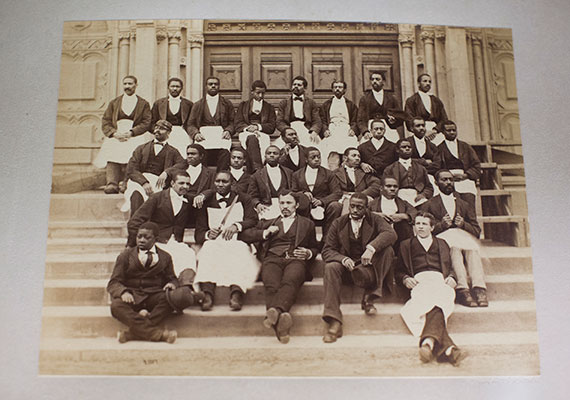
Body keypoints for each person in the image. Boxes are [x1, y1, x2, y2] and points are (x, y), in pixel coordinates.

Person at [240, 191, 319, 344]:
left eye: (289, 203)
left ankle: (275, 313)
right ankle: (281, 320)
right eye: (282, 203)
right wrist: (264, 233)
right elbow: (245, 235)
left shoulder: (307, 223)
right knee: (271, 285)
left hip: (295, 259)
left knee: (290, 281)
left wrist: (309, 253)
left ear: (296, 205)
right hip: (272, 259)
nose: (285, 206)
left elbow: (315, 247)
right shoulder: (268, 222)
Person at [321, 193, 397, 343]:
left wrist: (371, 248)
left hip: (368, 268)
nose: (355, 210)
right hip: (347, 268)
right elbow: (327, 250)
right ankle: (334, 320)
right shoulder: (339, 223)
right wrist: (342, 259)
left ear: (367, 209)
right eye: (352, 206)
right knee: (330, 267)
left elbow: (391, 233)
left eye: (359, 207)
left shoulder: (375, 219)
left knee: (388, 251)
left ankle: (370, 297)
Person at [397, 212, 467, 366]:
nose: (420, 227)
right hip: (420, 281)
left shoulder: (442, 243)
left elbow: (451, 267)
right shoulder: (406, 245)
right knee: (432, 302)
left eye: (424, 224)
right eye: (417, 224)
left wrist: (452, 277)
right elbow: (399, 270)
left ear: (432, 227)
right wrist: (405, 278)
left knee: (441, 299)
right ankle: (448, 348)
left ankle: (429, 343)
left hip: (440, 280)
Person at [194, 171, 259, 312]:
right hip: (215, 242)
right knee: (207, 250)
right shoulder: (206, 202)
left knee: (240, 251)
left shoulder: (243, 198)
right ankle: (207, 294)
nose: (221, 185)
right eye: (218, 181)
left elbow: (253, 220)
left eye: (225, 182)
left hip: (237, 240)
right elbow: (198, 232)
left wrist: (237, 226)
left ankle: (236, 293)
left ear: (232, 183)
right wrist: (207, 234)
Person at [421, 170, 488, 308]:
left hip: (461, 236)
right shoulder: (430, 204)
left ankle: (479, 287)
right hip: (443, 240)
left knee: (473, 249)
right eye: (444, 180)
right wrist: (441, 225)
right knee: (455, 249)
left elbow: (476, 231)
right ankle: (462, 289)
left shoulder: (464, 204)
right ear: (436, 182)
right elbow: (423, 231)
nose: (448, 183)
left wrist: (463, 224)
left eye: (450, 180)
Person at [108, 222, 179, 343]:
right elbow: (114, 282)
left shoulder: (165, 257)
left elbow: (172, 278)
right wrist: (123, 292)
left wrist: (172, 284)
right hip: (132, 297)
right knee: (116, 306)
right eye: (139, 236)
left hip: (153, 296)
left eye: (147, 237)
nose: (141, 240)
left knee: (170, 299)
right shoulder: (125, 256)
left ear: (156, 239)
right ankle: (159, 335)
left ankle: (132, 334)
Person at [126, 170, 197, 281]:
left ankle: (184, 287)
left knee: (188, 254)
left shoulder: (187, 200)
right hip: (158, 242)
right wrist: (143, 242)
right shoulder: (157, 198)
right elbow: (134, 222)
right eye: (181, 183)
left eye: (188, 184)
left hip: (175, 242)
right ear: (172, 184)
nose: (185, 186)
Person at [94, 75, 152, 194]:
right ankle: (112, 183)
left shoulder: (143, 103)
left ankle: (127, 183)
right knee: (112, 156)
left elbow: (146, 122)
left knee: (133, 157)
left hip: (134, 135)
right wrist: (114, 133)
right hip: (117, 134)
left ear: (136, 85)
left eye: (130, 84)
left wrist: (132, 132)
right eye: (125, 84)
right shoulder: (114, 103)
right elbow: (106, 121)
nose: (127, 86)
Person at [122, 120, 186, 216]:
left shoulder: (173, 151)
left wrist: (167, 172)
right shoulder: (141, 148)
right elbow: (131, 169)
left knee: (156, 201)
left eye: (161, 129)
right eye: (156, 127)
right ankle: (135, 225)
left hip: (158, 182)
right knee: (136, 195)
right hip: (139, 180)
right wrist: (144, 182)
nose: (157, 130)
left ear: (168, 133)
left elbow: (182, 164)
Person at [291, 147, 342, 238]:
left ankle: (327, 240)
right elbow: (293, 192)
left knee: (336, 206)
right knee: (300, 206)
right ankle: (305, 240)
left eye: (318, 157)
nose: (317, 159)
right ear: (306, 159)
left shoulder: (329, 174)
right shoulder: (297, 175)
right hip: (305, 205)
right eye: (313, 157)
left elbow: (337, 192)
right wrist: (303, 194)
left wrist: (322, 201)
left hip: (324, 205)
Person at [187, 76, 234, 170]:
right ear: (205, 86)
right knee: (200, 153)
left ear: (219, 86)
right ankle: (204, 177)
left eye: (215, 84)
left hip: (221, 134)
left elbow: (232, 121)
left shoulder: (227, 103)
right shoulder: (198, 104)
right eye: (210, 84)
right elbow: (190, 124)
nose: (213, 86)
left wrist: (228, 131)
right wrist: (195, 133)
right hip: (204, 134)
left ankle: (221, 176)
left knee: (224, 153)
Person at [437, 120, 481, 209]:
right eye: (449, 130)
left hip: (465, 180)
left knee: (469, 206)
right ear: (443, 132)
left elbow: (476, 165)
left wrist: (466, 175)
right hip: (448, 181)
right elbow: (437, 167)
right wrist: (447, 176)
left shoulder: (466, 147)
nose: (452, 132)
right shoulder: (439, 148)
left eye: (454, 130)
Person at [235, 80, 276, 172]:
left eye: (263, 93)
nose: (260, 96)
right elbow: (238, 123)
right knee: (252, 139)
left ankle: (253, 170)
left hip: (262, 133)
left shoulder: (269, 107)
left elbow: (272, 126)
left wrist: (258, 127)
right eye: (258, 93)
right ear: (252, 92)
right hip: (246, 132)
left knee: (261, 141)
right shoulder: (243, 105)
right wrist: (248, 128)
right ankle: (258, 169)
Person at [369, 176, 417, 254]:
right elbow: (363, 214)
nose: (392, 188)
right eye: (388, 186)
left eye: (395, 186)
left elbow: (415, 213)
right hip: (380, 237)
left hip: (401, 238)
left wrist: (404, 216)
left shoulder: (403, 203)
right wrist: (376, 215)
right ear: (381, 188)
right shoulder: (372, 204)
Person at [330, 147, 381, 218]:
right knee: (346, 203)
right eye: (354, 156)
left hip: (361, 198)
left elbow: (376, 184)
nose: (357, 158)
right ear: (345, 158)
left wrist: (360, 194)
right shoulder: (334, 173)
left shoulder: (364, 172)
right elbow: (334, 190)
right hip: (343, 199)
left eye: (359, 156)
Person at [382, 138, 434, 208]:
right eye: (404, 147)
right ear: (397, 150)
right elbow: (384, 188)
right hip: (398, 196)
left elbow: (429, 187)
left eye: (409, 147)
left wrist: (423, 195)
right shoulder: (389, 169)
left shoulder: (421, 168)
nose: (407, 149)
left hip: (417, 196)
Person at [319, 80, 359, 169]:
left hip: (346, 129)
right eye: (335, 87)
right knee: (330, 148)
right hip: (332, 128)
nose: (337, 89)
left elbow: (355, 120)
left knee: (351, 146)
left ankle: (347, 170)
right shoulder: (326, 104)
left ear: (344, 90)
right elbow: (323, 120)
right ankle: (332, 171)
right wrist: (325, 130)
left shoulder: (351, 104)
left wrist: (353, 129)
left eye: (340, 87)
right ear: (332, 89)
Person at [150, 77, 194, 158]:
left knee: (181, 155)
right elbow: (152, 121)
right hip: (164, 133)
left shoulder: (188, 104)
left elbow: (192, 122)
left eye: (177, 87)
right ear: (168, 87)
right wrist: (158, 132)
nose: (175, 89)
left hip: (181, 133)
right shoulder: (159, 103)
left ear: (181, 88)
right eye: (172, 86)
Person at [248, 145, 294, 220]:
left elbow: (294, 191)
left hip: (286, 206)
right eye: (269, 153)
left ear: (280, 156)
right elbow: (252, 196)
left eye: (275, 153)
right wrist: (257, 204)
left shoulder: (289, 173)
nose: (272, 155)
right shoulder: (256, 175)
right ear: (265, 156)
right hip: (266, 207)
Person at [165, 143, 216, 211]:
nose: (189, 156)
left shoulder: (210, 172)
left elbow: (213, 189)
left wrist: (202, 195)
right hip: (180, 203)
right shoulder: (179, 170)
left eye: (193, 154)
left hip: (200, 205)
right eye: (188, 154)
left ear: (201, 156)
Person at [276, 76, 322, 147]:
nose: (296, 86)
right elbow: (279, 121)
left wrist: (314, 131)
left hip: (306, 129)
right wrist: (287, 130)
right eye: (294, 84)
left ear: (305, 88)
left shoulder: (311, 103)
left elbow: (317, 121)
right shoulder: (284, 103)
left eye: (299, 85)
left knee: (314, 146)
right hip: (289, 128)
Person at [357, 72, 403, 143]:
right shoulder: (365, 99)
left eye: (377, 79)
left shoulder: (391, 98)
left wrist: (394, 121)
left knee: (394, 145)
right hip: (370, 127)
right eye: (372, 79)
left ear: (383, 81)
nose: (374, 81)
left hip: (388, 127)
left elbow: (400, 116)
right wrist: (365, 131)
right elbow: (360, 119)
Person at [404, 74, 449, 145]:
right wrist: (422, 131)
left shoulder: (436, 101)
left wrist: (435, 130)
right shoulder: (412, 100)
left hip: (435, 132)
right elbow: (409, 119)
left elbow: (444, 119)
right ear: (418, 83)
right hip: (418, 131)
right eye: (425, 81)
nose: (427, 83)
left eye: (429, 82)